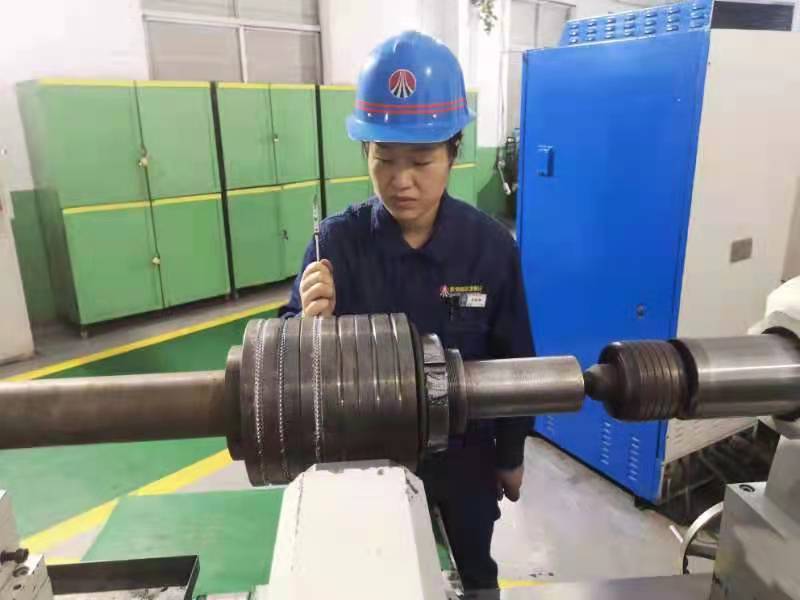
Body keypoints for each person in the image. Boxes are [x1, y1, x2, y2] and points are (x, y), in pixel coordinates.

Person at [281, 30, 534, 591]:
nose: (401, 181)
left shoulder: (490, 249)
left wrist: (511, 454)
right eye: (384, 159)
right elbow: (282, 364)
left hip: (465, 459)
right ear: (365, 154)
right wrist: (305, 327)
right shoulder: (335, 246)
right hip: (365, 460)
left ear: (454, 152)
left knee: (474, 573)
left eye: (421, 160)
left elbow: (515, 356)